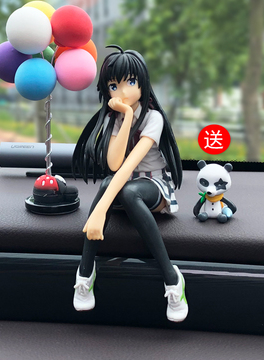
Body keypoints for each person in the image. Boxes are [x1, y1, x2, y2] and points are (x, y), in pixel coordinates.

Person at [72, 45, 188, 322]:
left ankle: (173, 279)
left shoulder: (154, 118)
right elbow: (114, 164)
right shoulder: (115, 119)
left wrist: (100, 211)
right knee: (111, 184)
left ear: (143, 82)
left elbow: (129, 165)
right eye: (114, 86)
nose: (122, 92)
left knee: (125, 189)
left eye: (130, 82)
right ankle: (85, 273)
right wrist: (124, 118)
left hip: (153, 185)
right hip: (124, 183)